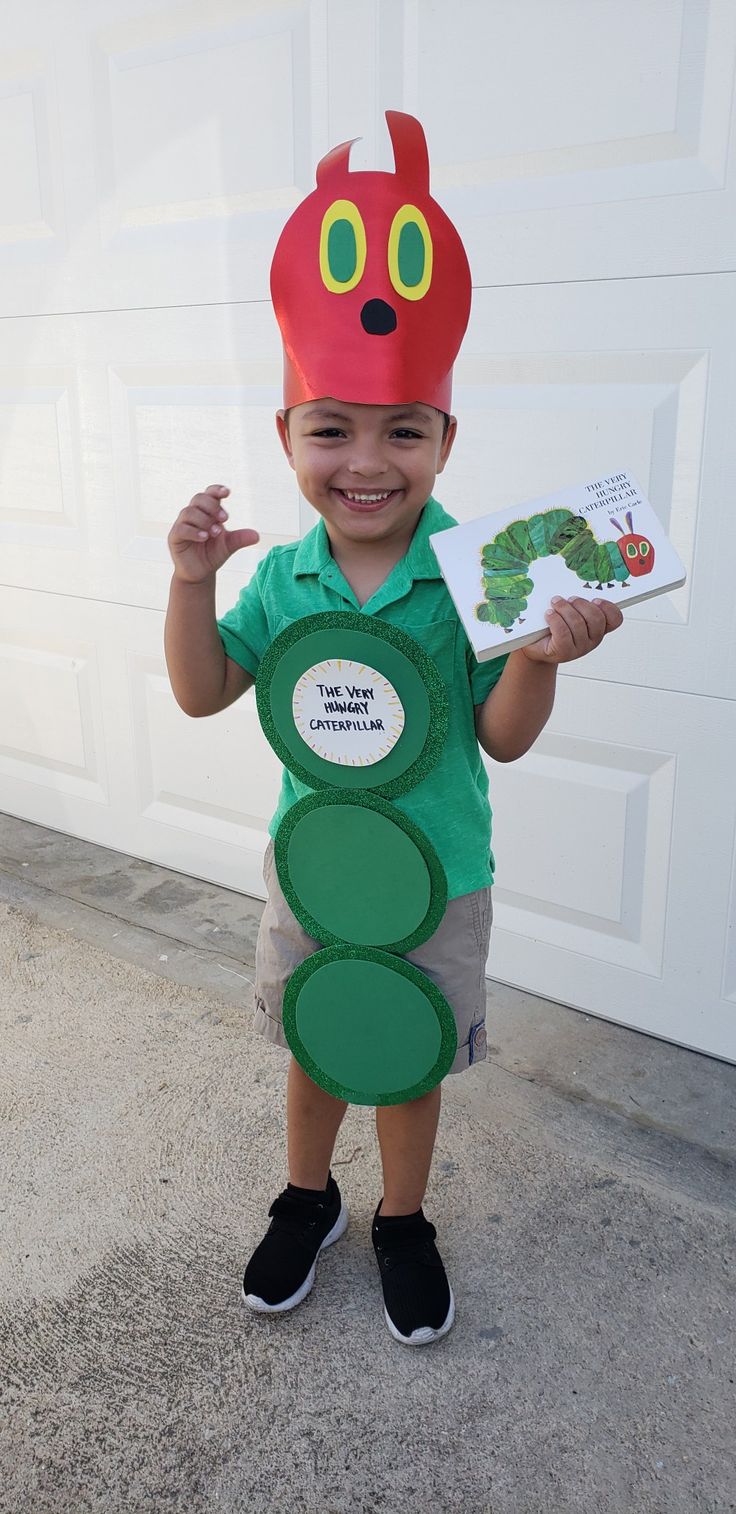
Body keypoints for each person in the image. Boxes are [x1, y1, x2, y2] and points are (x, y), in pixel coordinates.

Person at [163, 113, 623, 1347]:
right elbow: (203, 691)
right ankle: (307, 1194)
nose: (366, 461)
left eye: (402, 430)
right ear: (287, 439)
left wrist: (534, 657)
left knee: (407, 1056)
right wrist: (193, 581)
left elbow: (505, 737)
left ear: (444, 440)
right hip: (318, 869)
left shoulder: (483, 574)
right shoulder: (280, 581)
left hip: (437, 877)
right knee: (319, 1040)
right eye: (332, 428)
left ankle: (403, 1215)